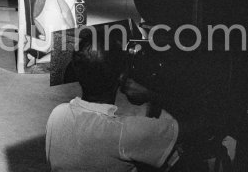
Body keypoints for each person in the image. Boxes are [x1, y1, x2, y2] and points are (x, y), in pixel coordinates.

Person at [45, 29, 179, 172]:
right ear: (121, 77)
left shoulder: (56, 115)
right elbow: (186, 130)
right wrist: (152, 96)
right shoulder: (123, 132)